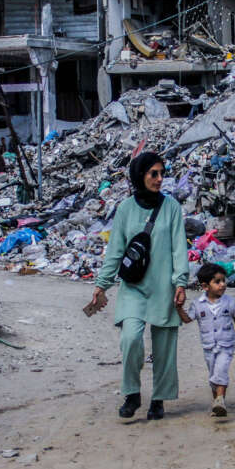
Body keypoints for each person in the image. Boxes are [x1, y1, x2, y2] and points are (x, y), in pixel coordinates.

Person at [86, 152, 189, 420]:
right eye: (153, 173)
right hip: (133, 288)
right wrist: (102, 284)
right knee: (130, 339)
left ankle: (159, 399)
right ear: (139, 175)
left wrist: (180, 282)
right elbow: (115, 251)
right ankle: (132, 393)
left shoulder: (172, 208)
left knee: (165, 347)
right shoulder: (125, 209)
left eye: (161, 173)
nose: (159, 178)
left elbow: (180, 249)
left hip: (163, 288)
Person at [177, 263, 235, 417]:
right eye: (217, 282)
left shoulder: (229, 302)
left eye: (224, 280)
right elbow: (187, 319)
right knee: (213, 375)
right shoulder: (197, 305)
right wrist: (178, 308)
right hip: (209, 345)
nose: (222, 284)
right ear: (205, 286)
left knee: (221, 370)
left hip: (226, 344)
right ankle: (217, 404)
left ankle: (220, 400)